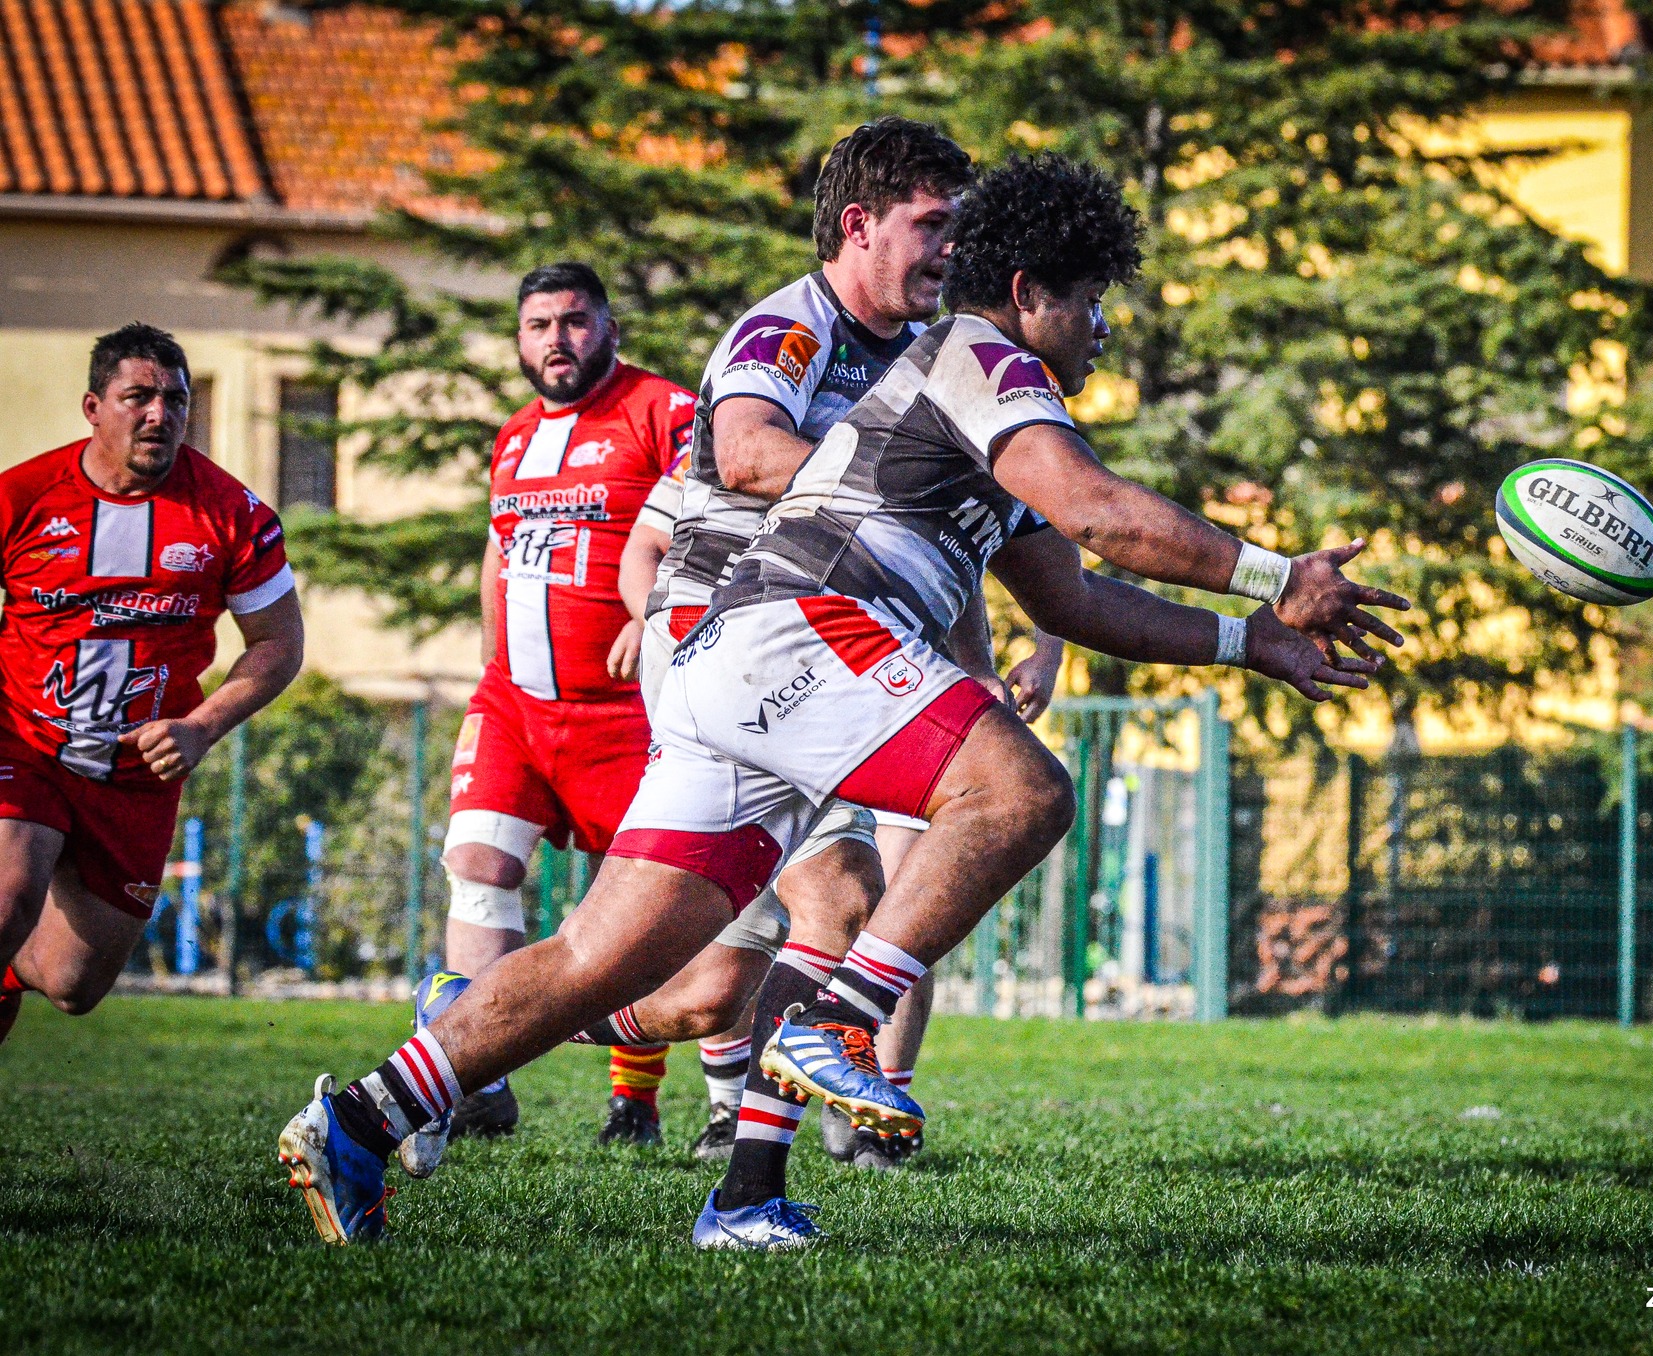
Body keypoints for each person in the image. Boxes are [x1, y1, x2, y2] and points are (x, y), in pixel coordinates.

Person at [277, 153, 1406, 1250]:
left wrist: (1247, 642)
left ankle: (366, 1121)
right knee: (1019, 795)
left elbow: (1074, 595)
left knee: (603, 962)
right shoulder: (979, 357)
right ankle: (831, 1029)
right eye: (1093, 298)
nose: (1104, 325)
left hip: (751, 661)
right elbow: (1102, 514)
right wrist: (1275, 572)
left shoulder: (979, 399)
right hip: (800, 632)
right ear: (1028, 294)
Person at [618, 116, 1060, 1169]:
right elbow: (747, 449)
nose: (953, 248)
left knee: (719, 976)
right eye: (932, 223)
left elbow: (932, 547)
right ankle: (757, 1166)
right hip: (726, 639)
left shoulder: (923, 353)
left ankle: (480, 1034)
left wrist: (979, 664)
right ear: (858, 226)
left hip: (829, 645)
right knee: (848, 903)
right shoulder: (790, 328)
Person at [421, 261, 696, 1146]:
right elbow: (500, 552)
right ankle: (477, 1078)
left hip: (626, 710)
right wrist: (488, 660)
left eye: (574, 321)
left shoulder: (664, 410)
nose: (556, 340)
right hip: (515, 704)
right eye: (538, 325)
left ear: (608, 325)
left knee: (643, 906)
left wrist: (660, 611)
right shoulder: (511, 438)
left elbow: (722, 516)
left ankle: (641, 1100)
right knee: (477, 865)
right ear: (518, 338)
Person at [0, 324, 302, 1043]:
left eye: (175, 399)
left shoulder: (234, 515)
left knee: (73, 984)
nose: (159, 415)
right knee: (8, 901)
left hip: (136, 774)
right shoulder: (23, 496)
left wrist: (201, 727)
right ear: (93, 407)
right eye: (138, 396)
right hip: (26, 740)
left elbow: (279, 644)